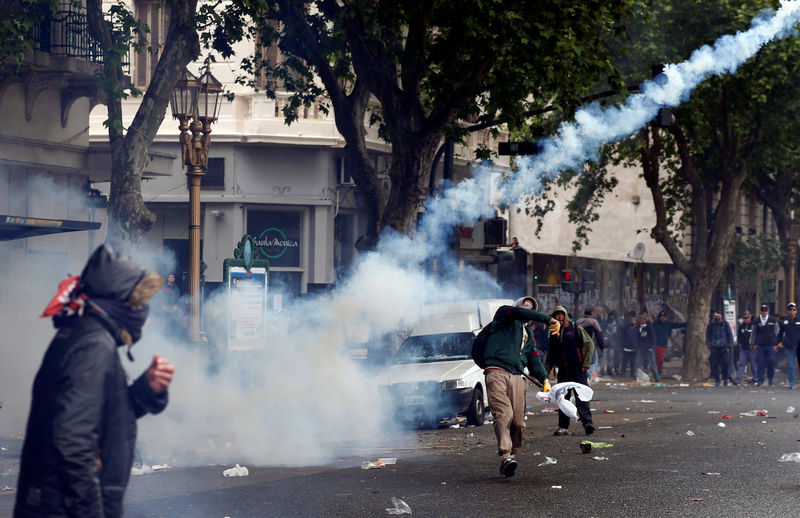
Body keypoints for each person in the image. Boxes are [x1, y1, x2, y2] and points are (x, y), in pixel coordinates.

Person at [14, 244, 175, 518]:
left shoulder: (82, 334)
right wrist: (91, 512)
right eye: (140, 304)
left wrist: (143, 391)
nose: (144, 313)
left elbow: (96, 414)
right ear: (122, 304)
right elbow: (72, 440)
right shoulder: (94, 346)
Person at [481, 296, 559, 477]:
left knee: (518, 422)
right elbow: (517, 312)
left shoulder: (528, 335)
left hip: (517, 377)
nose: (528, 310)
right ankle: (506, 456)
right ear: (518, 306)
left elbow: (534, 360)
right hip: (496, 372)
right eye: (526, 307)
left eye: (531, 308)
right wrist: (548, 319)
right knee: (503, 414)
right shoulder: (504, 315)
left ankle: (512, 454)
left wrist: (545, 379)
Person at [546, 305, 595, 436]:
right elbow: (551, 355)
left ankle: (587, 423)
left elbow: (589, 344)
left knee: (581, 398)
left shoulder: (575, 328)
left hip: (578, 369)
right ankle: (563, 426)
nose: (559, 317)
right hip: (563, 371)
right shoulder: (553, 333)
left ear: (565, 316)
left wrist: (586, 362)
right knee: (562, 399)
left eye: (562, 314)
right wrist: (544, 374)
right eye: (557, 315)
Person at [652, 310, 686, 376]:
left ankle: (658, 372)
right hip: (654, 344)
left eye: (664, 317)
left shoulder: (668, 323)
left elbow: (677, 325)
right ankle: (653, 370)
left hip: (662, 344)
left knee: (660, 359)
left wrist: (685, 324)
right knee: (653, 359)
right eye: (661, 317)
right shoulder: (655, 324)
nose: (663, 318)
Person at [706, 309, 733, 387]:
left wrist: (729, 346)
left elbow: (729, 335)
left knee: (725, 365)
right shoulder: (711, 324)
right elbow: (708, 336)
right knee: (714, 365)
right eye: (715, 316)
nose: (717, 317)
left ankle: (725, 379)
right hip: (714, 348)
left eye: (718, 316)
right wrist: (709, 346)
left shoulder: (725, 324)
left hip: (724, 348)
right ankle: (717, 380)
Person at [776, 302, 800, 389]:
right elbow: (780, 333)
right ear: (788, 311)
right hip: (789, 346)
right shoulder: (785, 322)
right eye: (790, 309)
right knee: (790, 365)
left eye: (794, 309)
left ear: (796, 311)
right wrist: (778, 343)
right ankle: (792, 383)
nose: (792, 311)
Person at [754, 304, 780, 386]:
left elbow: (777, 330)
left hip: (770, 345)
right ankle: (760, 380)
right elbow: (754, 333)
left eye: (765, 310)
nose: (764, 312)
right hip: (760, 345)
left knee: (771, 361)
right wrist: (753, 343)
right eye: (762, 310)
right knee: (760, 363)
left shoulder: (772, 319)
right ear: (760, 311)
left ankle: (770, 378)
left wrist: (774, 339)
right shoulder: (757, 320)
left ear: (768, 311)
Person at [577, 308, 604, 382]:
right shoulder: (594, 322)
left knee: (582, 362)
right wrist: (602, 347)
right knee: (594, 362)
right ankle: (587, 376)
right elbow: (599, 334)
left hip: (579, 346)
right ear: (592, 313)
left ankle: (582, 376)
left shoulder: (578, 321)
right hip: (590, 346)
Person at [635, 312, 659, 382]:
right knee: (638, 363)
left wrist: (652, 347)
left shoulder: (649, 327)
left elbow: (653, 338)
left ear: (644, 320)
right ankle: (638, 377)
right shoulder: (638, 327)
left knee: (652, 363)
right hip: (641, 348)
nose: (640, 320)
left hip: (648, 348)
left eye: (642, 319)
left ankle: (657, 378)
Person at [735, 311, 758, 385]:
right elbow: (739, 335)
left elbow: (756, 336)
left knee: (753, 365)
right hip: (743, 348)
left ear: (750, 317)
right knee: (742, 364)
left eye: (746, 318)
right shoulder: (742, 326)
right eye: (743, 318)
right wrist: (739, 343)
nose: (745, 319)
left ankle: (756, 378)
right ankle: (738, 379)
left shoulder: (754, 325)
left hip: (752, 349)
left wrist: (755, 344)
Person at [601, 310, 622, 376]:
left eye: (614, 316)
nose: (612, 317)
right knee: (604, 358)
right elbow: (603, 331)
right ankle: (602, 371)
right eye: (612, 316)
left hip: (612, 344)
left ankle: (609, 370)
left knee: (610, 358)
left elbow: (619, 331)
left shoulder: (617, 323)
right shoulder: (605, 323)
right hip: (606, 343)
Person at [621, 311, 639, 379]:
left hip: (634, 348)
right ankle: (623, 373)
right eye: (632, 320)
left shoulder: (637, 328)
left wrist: (637, 346)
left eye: (634, 320)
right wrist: (623, 345)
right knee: (624, 362)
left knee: (633, 363)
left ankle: (632, 374)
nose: (633, 321)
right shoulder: (625, 327)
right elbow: (622, 337)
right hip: (626, 348)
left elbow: (638, 337)